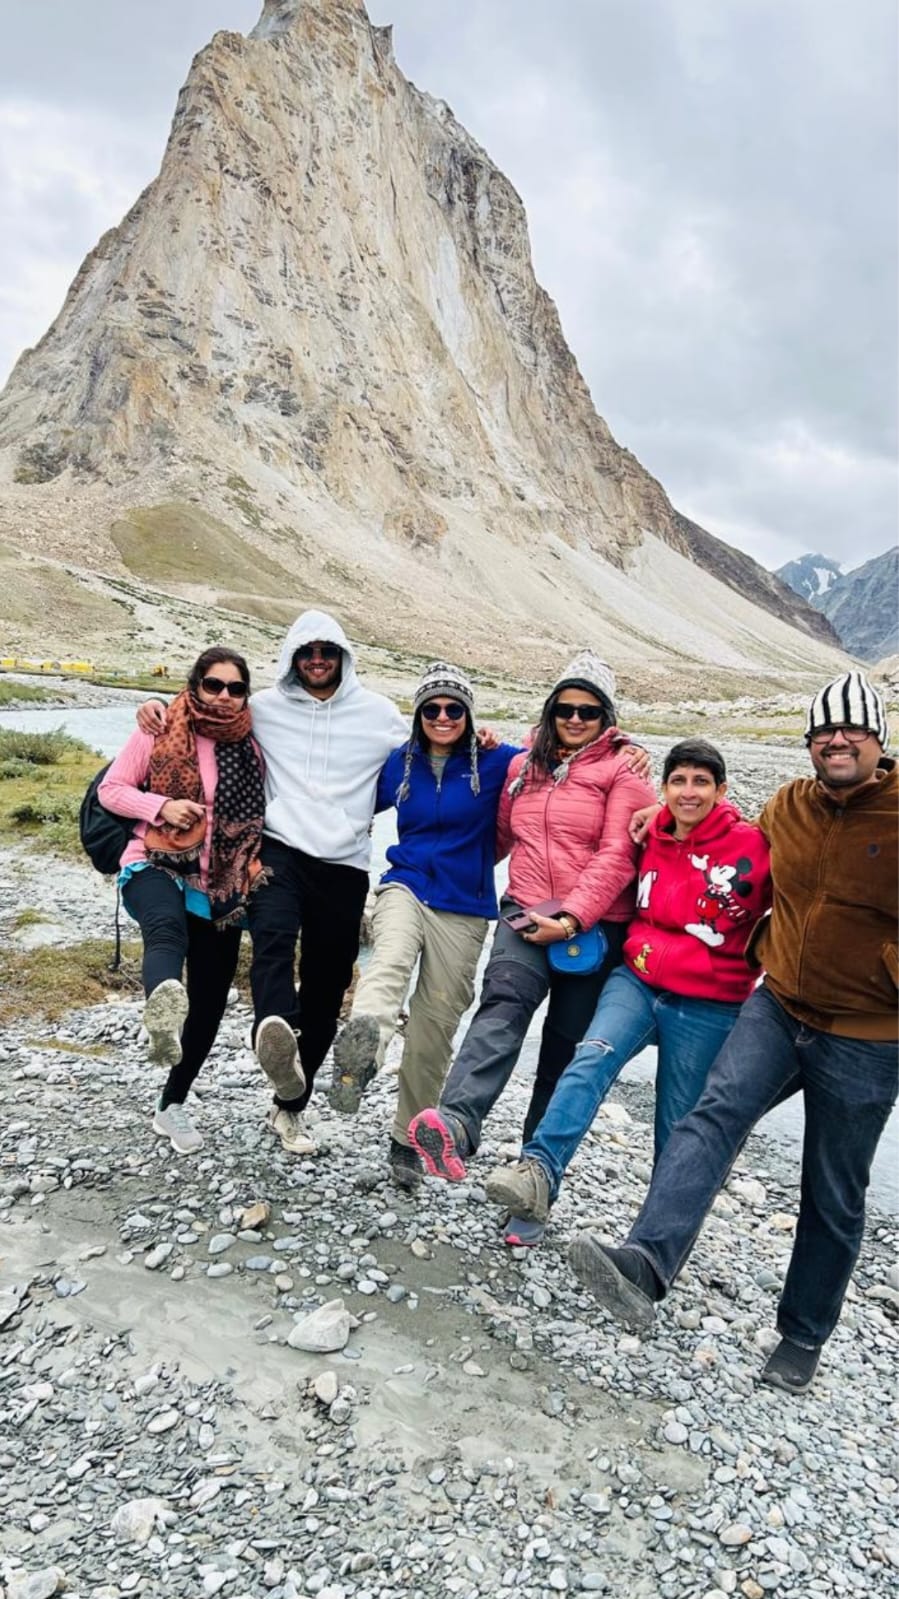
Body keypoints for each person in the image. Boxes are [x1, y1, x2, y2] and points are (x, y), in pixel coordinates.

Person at [567, 671, 897, 1396]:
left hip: (868, 1036)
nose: (836, 741)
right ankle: (645, 1265)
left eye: (852, 731)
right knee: (708, 1118)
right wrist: (658, 816)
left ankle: (802, 1333)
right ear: (809, 743)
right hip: (777, 1007)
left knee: (831, 1186)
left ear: (878, 739)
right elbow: (726, 843)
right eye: (822, 732)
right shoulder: (789, 806)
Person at [138, 609, 408, 1156]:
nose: (316, 660)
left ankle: (289, 1105)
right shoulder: (263, 708)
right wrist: (155, 710)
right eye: (306, 651)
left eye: (326, 651)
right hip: (278, 850)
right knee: (273, 942)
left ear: (342, 657)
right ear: (291, 657)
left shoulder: (380, 715)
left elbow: (429, 752)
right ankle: (272, 1030)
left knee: (329, 983)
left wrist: (497, 741)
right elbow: (207, 713)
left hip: (346, 863)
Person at [484, 738, 771, 1236]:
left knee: (679, 1121)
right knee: (589, 1060)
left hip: (711, 1000)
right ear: (664, 787)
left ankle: (654, 1241)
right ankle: (536, 1179)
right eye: (678, 781)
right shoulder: (650, 831)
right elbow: (568, 765)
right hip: (636, 979)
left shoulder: (754, 845)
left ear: (721, 790)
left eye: (701, 782)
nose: (689, 792)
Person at [408, 652, 657, 1205]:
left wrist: (570, 919)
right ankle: (455, 1125)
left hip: (593, 933)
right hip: (522, 912)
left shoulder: (625, 771)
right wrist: (435, 874)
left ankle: (534, 1180)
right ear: (550, 710)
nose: (574, 719)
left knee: (563, 1056)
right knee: (500, 1008)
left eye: (588, 712)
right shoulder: (524, 768)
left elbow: (620, 855)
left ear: (606, 717)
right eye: (564, 708)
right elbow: (497, 838)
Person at [329, 662, 521, 1189]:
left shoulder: (496, 761)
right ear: (418, 714)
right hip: (405, 885)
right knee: (388, 958)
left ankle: (407, 1137)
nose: (442, 716)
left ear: (468, 714)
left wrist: (624, 750)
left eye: (453, 708)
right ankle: (362, 1050)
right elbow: (344, 793)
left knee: (436, 1025)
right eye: (432, 708)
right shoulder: (401, 763)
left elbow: (551, 761)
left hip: (465, 905)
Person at [100, 647, 266, 1154]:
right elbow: (112, 789)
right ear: (194, 686)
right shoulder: (159, 725)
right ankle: (163, 1011)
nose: (223, 697)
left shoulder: (252, 740)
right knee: (165, 930)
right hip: (153, 862)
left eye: (235, 688)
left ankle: (171, 1104)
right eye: (213, 685)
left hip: (219, 882)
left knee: (213, 999)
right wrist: (162, 806)